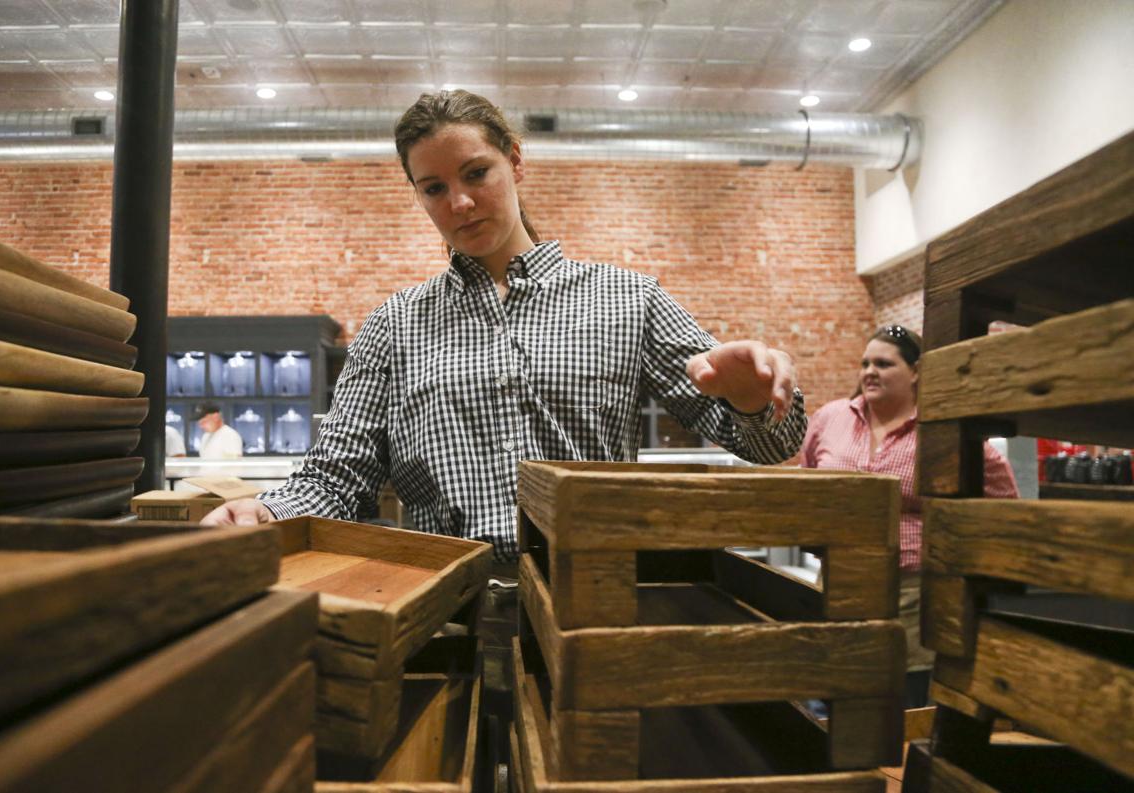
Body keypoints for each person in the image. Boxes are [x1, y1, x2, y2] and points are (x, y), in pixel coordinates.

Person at [201, 89, 810, 750]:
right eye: (432, 187)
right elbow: (338, 474)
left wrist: (752, 398)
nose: (458, 203)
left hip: (595, 621)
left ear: (515, 161)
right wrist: (265, 513)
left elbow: (771, 444)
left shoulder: (627, 300)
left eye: (475, 173)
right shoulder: (394, 326)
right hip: (447, 622)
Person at [800, 324, 1017, 707]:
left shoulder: (940, 431)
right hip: (837, 582)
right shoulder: (831, 418)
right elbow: (804, 484)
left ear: (916, 371)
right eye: (865, 363)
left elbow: (1002, 499)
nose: (869, 371)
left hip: (912, 590)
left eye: (883, 363)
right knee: (830, 690)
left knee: (905, 702)